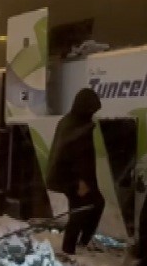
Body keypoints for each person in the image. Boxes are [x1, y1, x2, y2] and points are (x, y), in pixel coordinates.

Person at [45, 88, 105, 255]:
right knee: (80, 210)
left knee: (93, 204)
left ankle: (81, 243)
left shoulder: (72, 122)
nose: (93, 114)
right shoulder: (75, 126)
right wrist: (80, 181)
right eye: (92, 110)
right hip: (71, 177)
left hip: (72, 176)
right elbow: (72, 157)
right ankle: (70, 249)